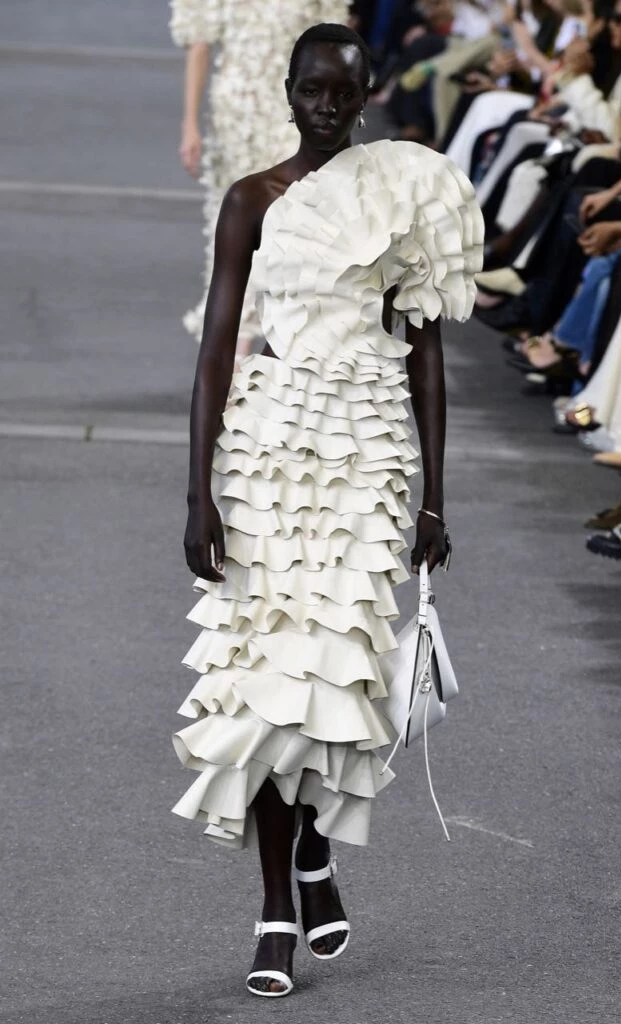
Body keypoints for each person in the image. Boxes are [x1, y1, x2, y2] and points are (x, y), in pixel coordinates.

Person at [173, 23, 484, 998]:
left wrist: (435, 494)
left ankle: (313, 846)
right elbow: (217, 348)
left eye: (342, 91)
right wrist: (198, 491)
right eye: (311, 88)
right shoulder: (252, 200)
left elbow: (425, 352)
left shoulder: (402, 194)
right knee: (268, 682)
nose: (326, 106)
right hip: (267, 450)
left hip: (368, 453)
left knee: (337, 679)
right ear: (288, 90)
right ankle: (277, 906)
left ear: (365, 93)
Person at [170, 0, 350, 352]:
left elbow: (336, 49)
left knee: (281, 222)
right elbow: (199, 43)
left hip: (286, 111)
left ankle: (258, 345)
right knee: (253, 223)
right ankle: (238, 345)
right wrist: (189, 123)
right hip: (243, 115)